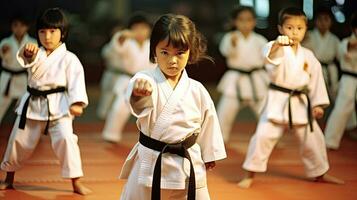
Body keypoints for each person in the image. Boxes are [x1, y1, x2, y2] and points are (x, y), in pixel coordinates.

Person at [119, 14, 227, 200]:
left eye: (180, 53)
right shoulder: (146, 80)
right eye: (165, 52)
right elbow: (137, 98)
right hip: (151, 161)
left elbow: (210, 121)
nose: (172, 61)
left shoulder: (196, 89)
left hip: (188, 163)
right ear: (154, 51)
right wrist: (138, 92)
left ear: (190, 52)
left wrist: (210, 153)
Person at [238, 7, 344, 189]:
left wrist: (318, 104)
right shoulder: (277, 48)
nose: (294, 32)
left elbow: (316, 81)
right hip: (277, 102)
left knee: (314, 139)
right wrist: (278, 44)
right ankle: (250, 174)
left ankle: (320, 173)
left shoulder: (308, 56)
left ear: (305, 30)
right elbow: (268, 55)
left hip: (300, 103)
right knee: (262, 137)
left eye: (299, 28)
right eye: (289, 28)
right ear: (281, 29)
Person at [0, 8, 92, 195]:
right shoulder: (34, 51)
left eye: (52, 31)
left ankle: (76, 182)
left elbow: (76, 81)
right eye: (42, 31)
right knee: (18, 141)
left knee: (67, 140)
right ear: (37, 33)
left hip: (59, 106)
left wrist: (77, 103)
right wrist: (27, 53)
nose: (47, 37)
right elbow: (26, 59)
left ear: (62, 33)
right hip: (32, 105)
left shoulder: (69, 59)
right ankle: (8, 177)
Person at [216, 6, 269, 142]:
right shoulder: (230, 37)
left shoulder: (260, 40)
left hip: (256, 80)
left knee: (266, 113)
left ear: (254, 22)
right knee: (224, 113)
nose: (245, 23)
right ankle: (219, 140)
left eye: (249, 20)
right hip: (235, 80)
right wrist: (232, 44)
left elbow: (268, 60)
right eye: (241, 20)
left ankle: (269, 138)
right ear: (235, 22)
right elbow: (225, 52)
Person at [101, 13, 156, 143]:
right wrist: (123, 35)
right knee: (119, 107)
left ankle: (158, 138)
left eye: (143, 28)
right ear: (130, 30)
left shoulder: (153, 44)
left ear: (149, 30)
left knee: (156, 111)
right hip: (129, 80)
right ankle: (111, 134)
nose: (140, 32)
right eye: (136, 28)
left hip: (150, 81)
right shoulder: (127, 43)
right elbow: (117, 45)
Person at [324, 12, 357, 150]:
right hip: (349, 79)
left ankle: (351, 128)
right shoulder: (346, 42)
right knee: (342, 108)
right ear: (354, 29)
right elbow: (349, 48)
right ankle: (329, 140)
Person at [0, 14, 36, 124]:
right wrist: (4, 51)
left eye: (22, 25)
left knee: (25, 109)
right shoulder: (6, 42)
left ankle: (23, 134)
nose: (19, 28)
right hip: (8, 80)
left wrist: (32, 55)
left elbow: (34, 61)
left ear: (27, 27)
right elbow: (3, 55)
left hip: (23, 80)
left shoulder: (32, 43)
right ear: (12, 27)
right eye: (16, 25)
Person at [302, 7, 340, 101]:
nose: (323, 22)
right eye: (320, 19)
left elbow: (341, 57)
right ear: (315, 21)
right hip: (313, 69)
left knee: (333, 99)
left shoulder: (334, 39)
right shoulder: (308, 36)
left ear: (331, 22)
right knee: (313, 97)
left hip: (330, 71)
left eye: (326, 19)